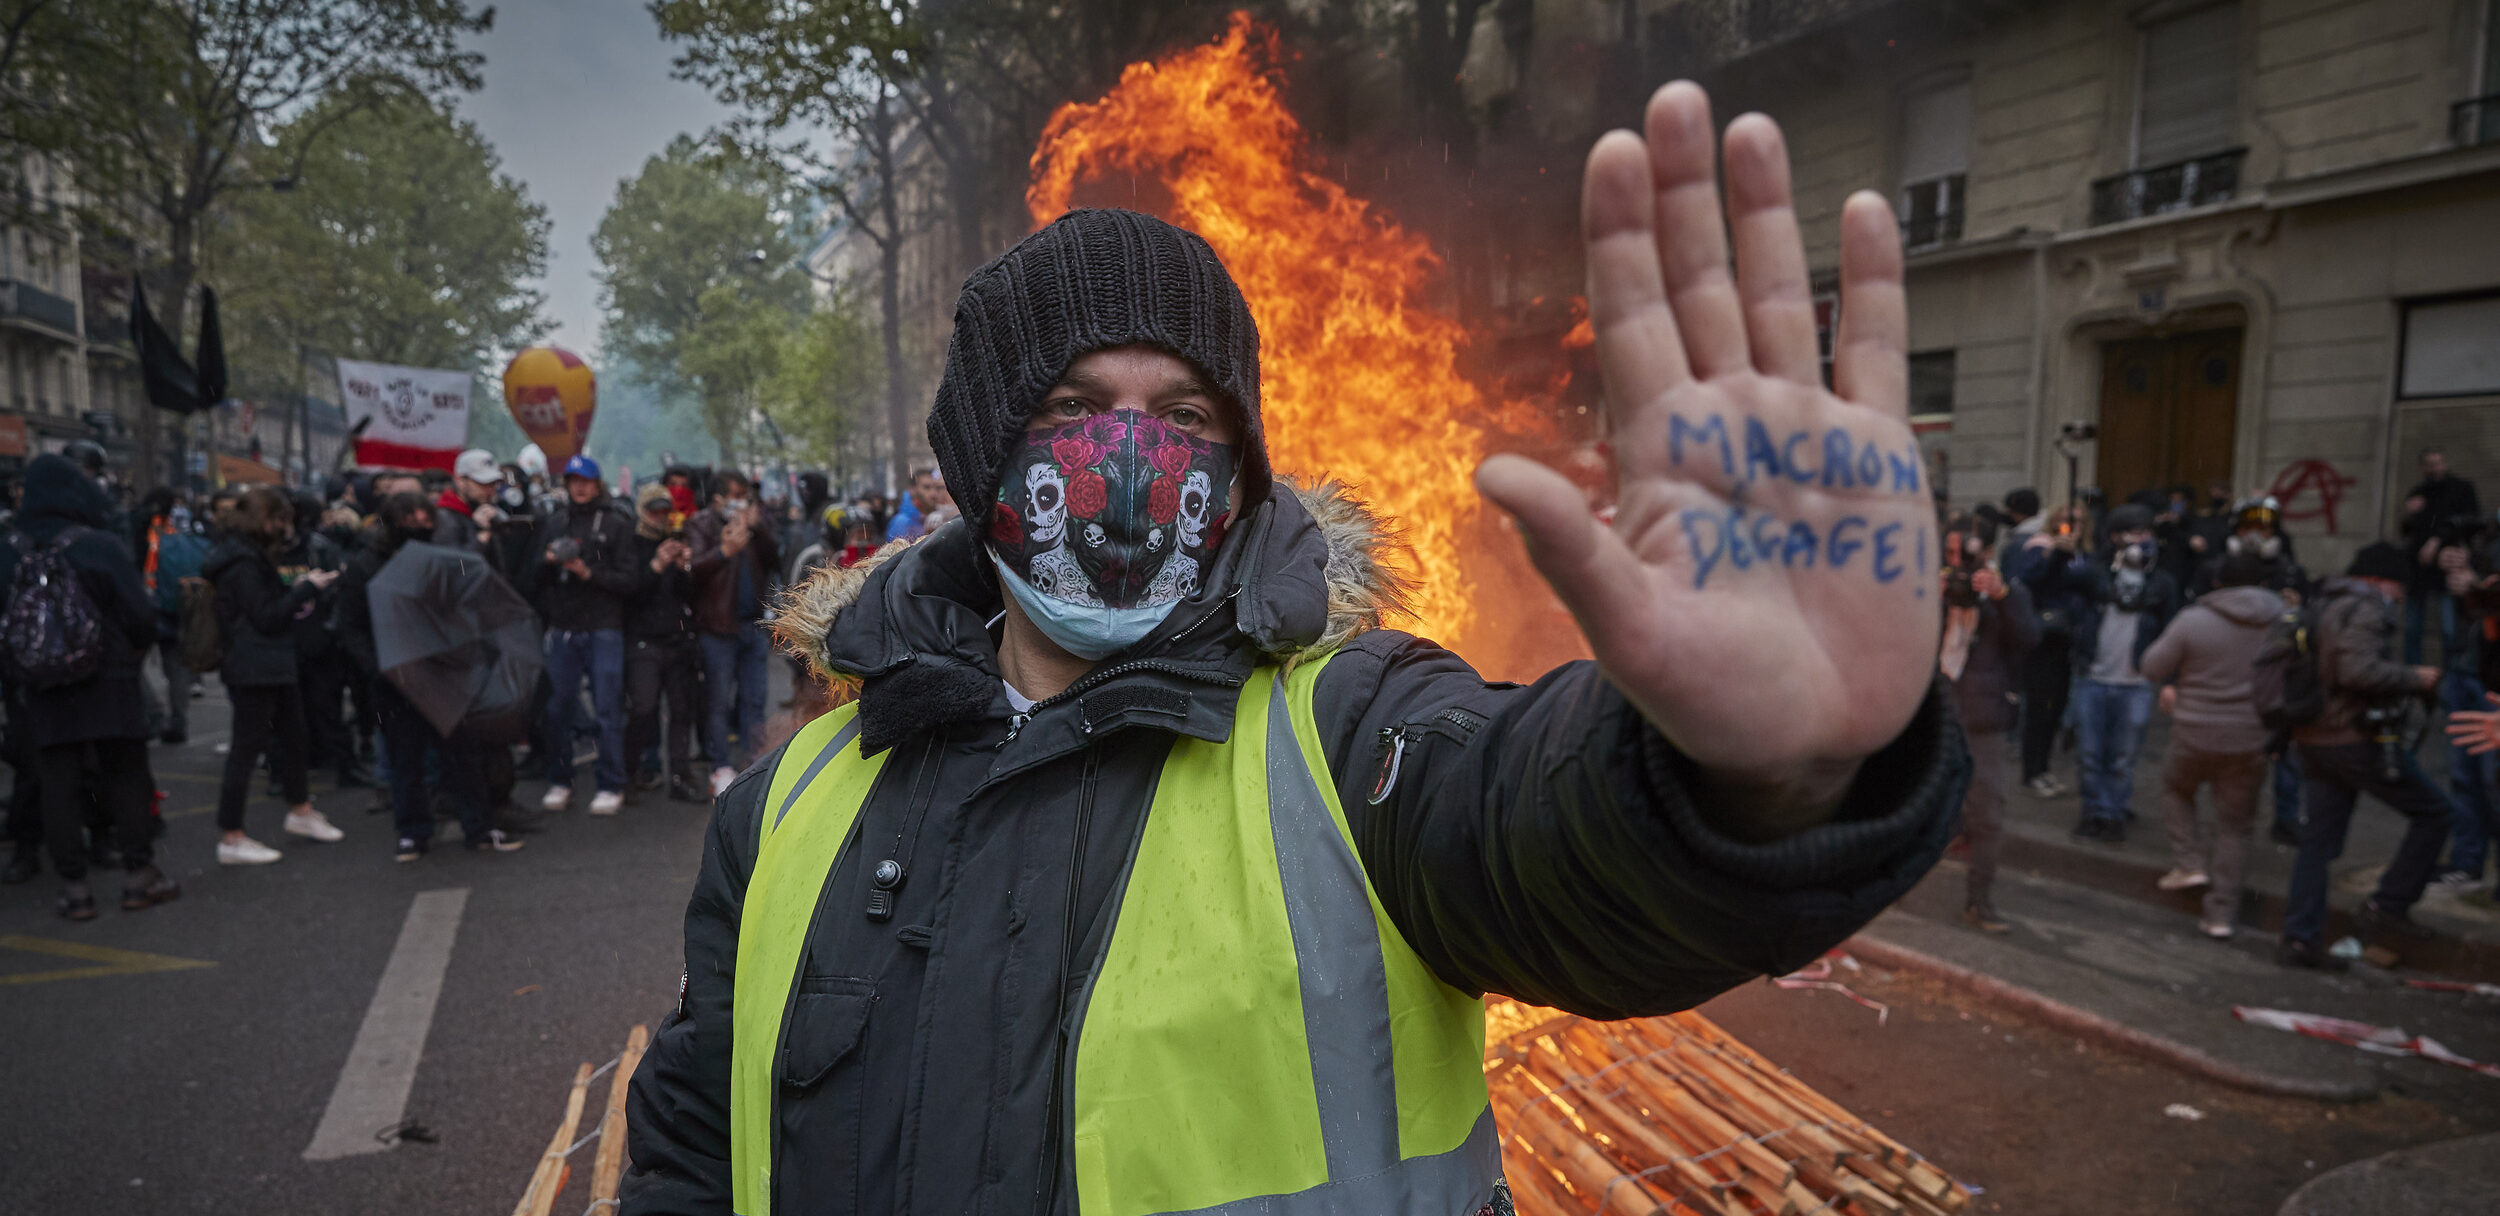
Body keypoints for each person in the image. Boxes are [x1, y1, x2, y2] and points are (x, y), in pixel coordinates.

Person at [623, 90, 1967, 1216]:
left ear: (1242, 463)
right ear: (983, 454)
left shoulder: (1353, 739)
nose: (1132, 460)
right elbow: (693, 1141)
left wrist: (1762, 782)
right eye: (1075, 407)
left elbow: (1548, 833)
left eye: (1184, 413)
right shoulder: (791, 805)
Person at [0, 454, 175, 918]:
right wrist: (132, 653)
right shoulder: (99, 544)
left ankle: (75, 889)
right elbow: (140, 615)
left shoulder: (8, 549)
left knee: (56, 785)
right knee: (126, 776)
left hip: (41, 686)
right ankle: (139, 876)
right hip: (109, 679)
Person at [2278, 543, 2452, 969]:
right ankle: (2389, 905)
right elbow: (2355, 671)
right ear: (2377, 579)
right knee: (2436, 812)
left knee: (2316, 844)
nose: (2400, 596)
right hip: (2352, 738)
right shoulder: (2365, 607)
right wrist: (2417, 677)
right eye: (2398, 586)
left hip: (2312, 737)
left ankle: (2300, 938)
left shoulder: (2319, 602)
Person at [335, 492, 525, 860]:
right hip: (396, 679)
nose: (422, 524)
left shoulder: (439, 561)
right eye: (412, 519)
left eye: (426, 518)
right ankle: (413, 832)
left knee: (462, 757)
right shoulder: (366, 566)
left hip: (441, 674)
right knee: (407, 760)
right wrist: (379, 666)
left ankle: (477, 827)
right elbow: (351, 625)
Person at [2139, 551, 2282, 939]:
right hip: (2251, 736)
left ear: (2218, 583)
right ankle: (2219, 915)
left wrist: (2179, 682)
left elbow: (2152, 665)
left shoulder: (2194, 620)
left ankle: (2189, 861)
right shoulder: (2281, 622)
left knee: (2175, 788)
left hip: (2195, 731)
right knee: (2235, 827)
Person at [202, 487, 347, 865]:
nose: (285, 529)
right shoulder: (243, 563)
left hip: (269, 663)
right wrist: (304, 589)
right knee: (247, 750)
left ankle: (300, 811)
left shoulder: (242, 557)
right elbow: (266, 616)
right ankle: (231, 836)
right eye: (280, 520)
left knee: (294, 739)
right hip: (256, 665)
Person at [2054, 503, 2179, 843]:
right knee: (2091, 754)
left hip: (2135, 682)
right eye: (2135, 532)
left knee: (2123, 758)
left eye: (2147, 533)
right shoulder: (2097, 574)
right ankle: (2092, 812)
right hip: (2092, 677)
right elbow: (2060, 579)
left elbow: (2172, 631)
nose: (2143, 539)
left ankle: (2112, 814)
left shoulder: (2162, 583)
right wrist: (2062, 551)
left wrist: (2170, 680)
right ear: (2116, 537)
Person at [1939, 513, 2038, 933]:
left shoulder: (2007, 595)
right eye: (1949, 555)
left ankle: (1979, 901)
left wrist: (2001, 597)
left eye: (1967, 556)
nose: (1958, 564)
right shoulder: (1933, 590)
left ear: (1989, 554)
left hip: (1983, 719)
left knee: (1988, 813)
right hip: (1938, 713)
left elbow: (2030, 638)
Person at [530, 455, 638, 816]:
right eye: (573, 479)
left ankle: (611, 783)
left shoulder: (616, 523)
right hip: (563, 628)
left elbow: (630, 581)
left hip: (604, 626)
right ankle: (560, 780)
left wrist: (587, 571)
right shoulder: (554, 521)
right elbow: (531, 580)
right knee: (557, 708)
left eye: (586, 480)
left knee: (608, 709)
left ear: (598, 484)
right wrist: (548, 563)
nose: (579, 486)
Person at [686, 469, 778, 797]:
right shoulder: (700, 524)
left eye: (745, 496)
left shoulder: (754, 525)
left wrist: (757, 529)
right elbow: (691, 571)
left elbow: (775, 558)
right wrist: (723, 551)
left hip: (752, 624)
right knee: (717, 701)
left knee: (754, 699)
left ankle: (755, 764)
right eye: (736, 495)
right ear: (718, 498)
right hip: (717, 628)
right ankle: (720, 766)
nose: (741, 502)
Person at [625, 485, 703, 803]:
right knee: (642, 709)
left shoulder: (675, 540)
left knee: (682, 710)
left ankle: (679, 776)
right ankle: (629, 774)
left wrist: (685, 566)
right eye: (653, 511)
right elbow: (630, 593)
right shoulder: (632, 544)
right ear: (642, 511)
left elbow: (689, 595)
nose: (659, 517)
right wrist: (655, 566)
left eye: (663, 511)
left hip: (677, 638)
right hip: (643, 640)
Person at [2009, 503, 2083, 797]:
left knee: (2057, 707)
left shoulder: (2081, 554)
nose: (2067, 526)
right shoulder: (2038, 547)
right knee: (2039, 707)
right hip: (2042, 638)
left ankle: (2044, 768)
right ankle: (2033, 771)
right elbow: (2028, 580)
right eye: (2063, 521)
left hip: (2067, 638)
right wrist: (2054, 556)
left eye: (2073, 522)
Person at [140, 488, 209, 745]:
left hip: (149, 606)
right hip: (181, 607)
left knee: (133, 665)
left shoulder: (148, 529)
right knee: (177, 669)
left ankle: (155, 713)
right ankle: (179, 723)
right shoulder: (190, 529)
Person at [2400, 448, 2480, 665]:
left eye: (2439, 462)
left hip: (2449, 569)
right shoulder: (2419, 492)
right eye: (2430, 464)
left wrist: (2438, 540)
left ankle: (2448, 681)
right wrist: (2409, 513)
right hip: (2420, 571)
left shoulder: (2461, 489)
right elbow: (2406, 532)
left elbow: (2471, 522)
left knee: (2449, 630)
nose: (2435, 468)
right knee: (2413, 629)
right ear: (2423, 467)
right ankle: (2414, 679)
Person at [882, 467, 944, 542]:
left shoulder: (939, 518)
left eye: (937, 488)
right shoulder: (902, 522)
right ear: (912, 490)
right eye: (926, 487)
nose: (933, 493)